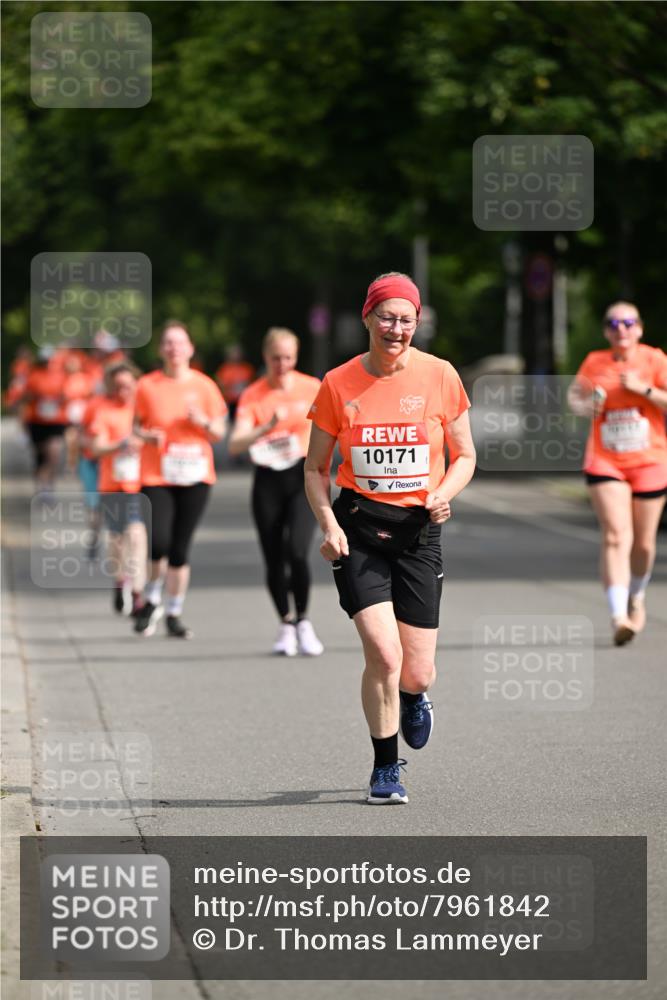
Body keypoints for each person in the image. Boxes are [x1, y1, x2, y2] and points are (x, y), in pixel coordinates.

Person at [304, 272, 476, 804]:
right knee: (383, 653)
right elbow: (315, 469)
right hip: (358, 529)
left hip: (419, 532)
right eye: (386, 317)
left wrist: (444, 492)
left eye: (405, 319)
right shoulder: (337, 383)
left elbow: (465, 454)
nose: (395, 328)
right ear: (367, 319)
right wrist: (328, 526)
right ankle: (385, 768)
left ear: (416, 323)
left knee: (417, 670)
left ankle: (414, 698)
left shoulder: (440, 376)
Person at [567, 301, 667, 645]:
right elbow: (574, 398)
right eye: (613, 323)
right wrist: (584, 405)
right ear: (607, 330)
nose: (621, 328)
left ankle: (635, 597)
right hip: (605, 460)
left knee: (643, 544)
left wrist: (645, 390)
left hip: (650, 460)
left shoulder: (654, 360)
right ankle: (618, 616)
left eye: (628, 322)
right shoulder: (595, 362)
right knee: (614, 535)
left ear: (639, 328)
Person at [229, 328, 323, 656]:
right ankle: (285, 622)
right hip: (268, 479)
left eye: (287, 357)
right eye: (275, 358)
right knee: (273, 556)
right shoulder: (254, 394)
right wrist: (265, 427)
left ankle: (304, 621)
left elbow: (336, 427)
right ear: (265, 357)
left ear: (295, 358)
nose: (281, 364)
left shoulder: (313, 387)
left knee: (297, 551)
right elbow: (235, 443)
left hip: (303, 478)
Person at [132, 321, 227, 638]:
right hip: (157, 474)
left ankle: (172, 612)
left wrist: (202, 422)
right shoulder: (146, 385)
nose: (174, 348)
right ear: (161, 350)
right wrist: (146, 435)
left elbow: (218, 432)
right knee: (158, 541)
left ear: (190, 349)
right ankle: (152, 596)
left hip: (196, 475)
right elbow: (132, 426)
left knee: (180, 549)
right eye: (168, 343)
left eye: (180, 343)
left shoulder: (204, 386)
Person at [89, 362, 147, 617]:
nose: (123, 390)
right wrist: (120, 444)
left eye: (128, 385)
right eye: (118, 386)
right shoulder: (104, 410)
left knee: (136, 534)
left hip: (141, 483)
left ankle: (137, 593)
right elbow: (97, 448)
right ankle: (119, 581)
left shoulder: (144, 409)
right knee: (117, 540)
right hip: (112, 483)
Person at [19, 346, 69, 498]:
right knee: (40, 457)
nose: (46, 363)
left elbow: (66, 395)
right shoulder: (33, 375)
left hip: (56, 421)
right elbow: (25, 397)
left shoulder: (60, 375)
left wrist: (56, 400)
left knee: (54, 453)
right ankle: (41, 486)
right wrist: (37, 397)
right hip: (37, 421)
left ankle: (49, 486)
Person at [215, 345, 256, 422]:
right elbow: (220, 387)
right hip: (229, 402)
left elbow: (252, 385)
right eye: (233, 353)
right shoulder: (224, 369)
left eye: (237, 353)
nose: (235, 355)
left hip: (245, 401)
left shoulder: (247, 368)